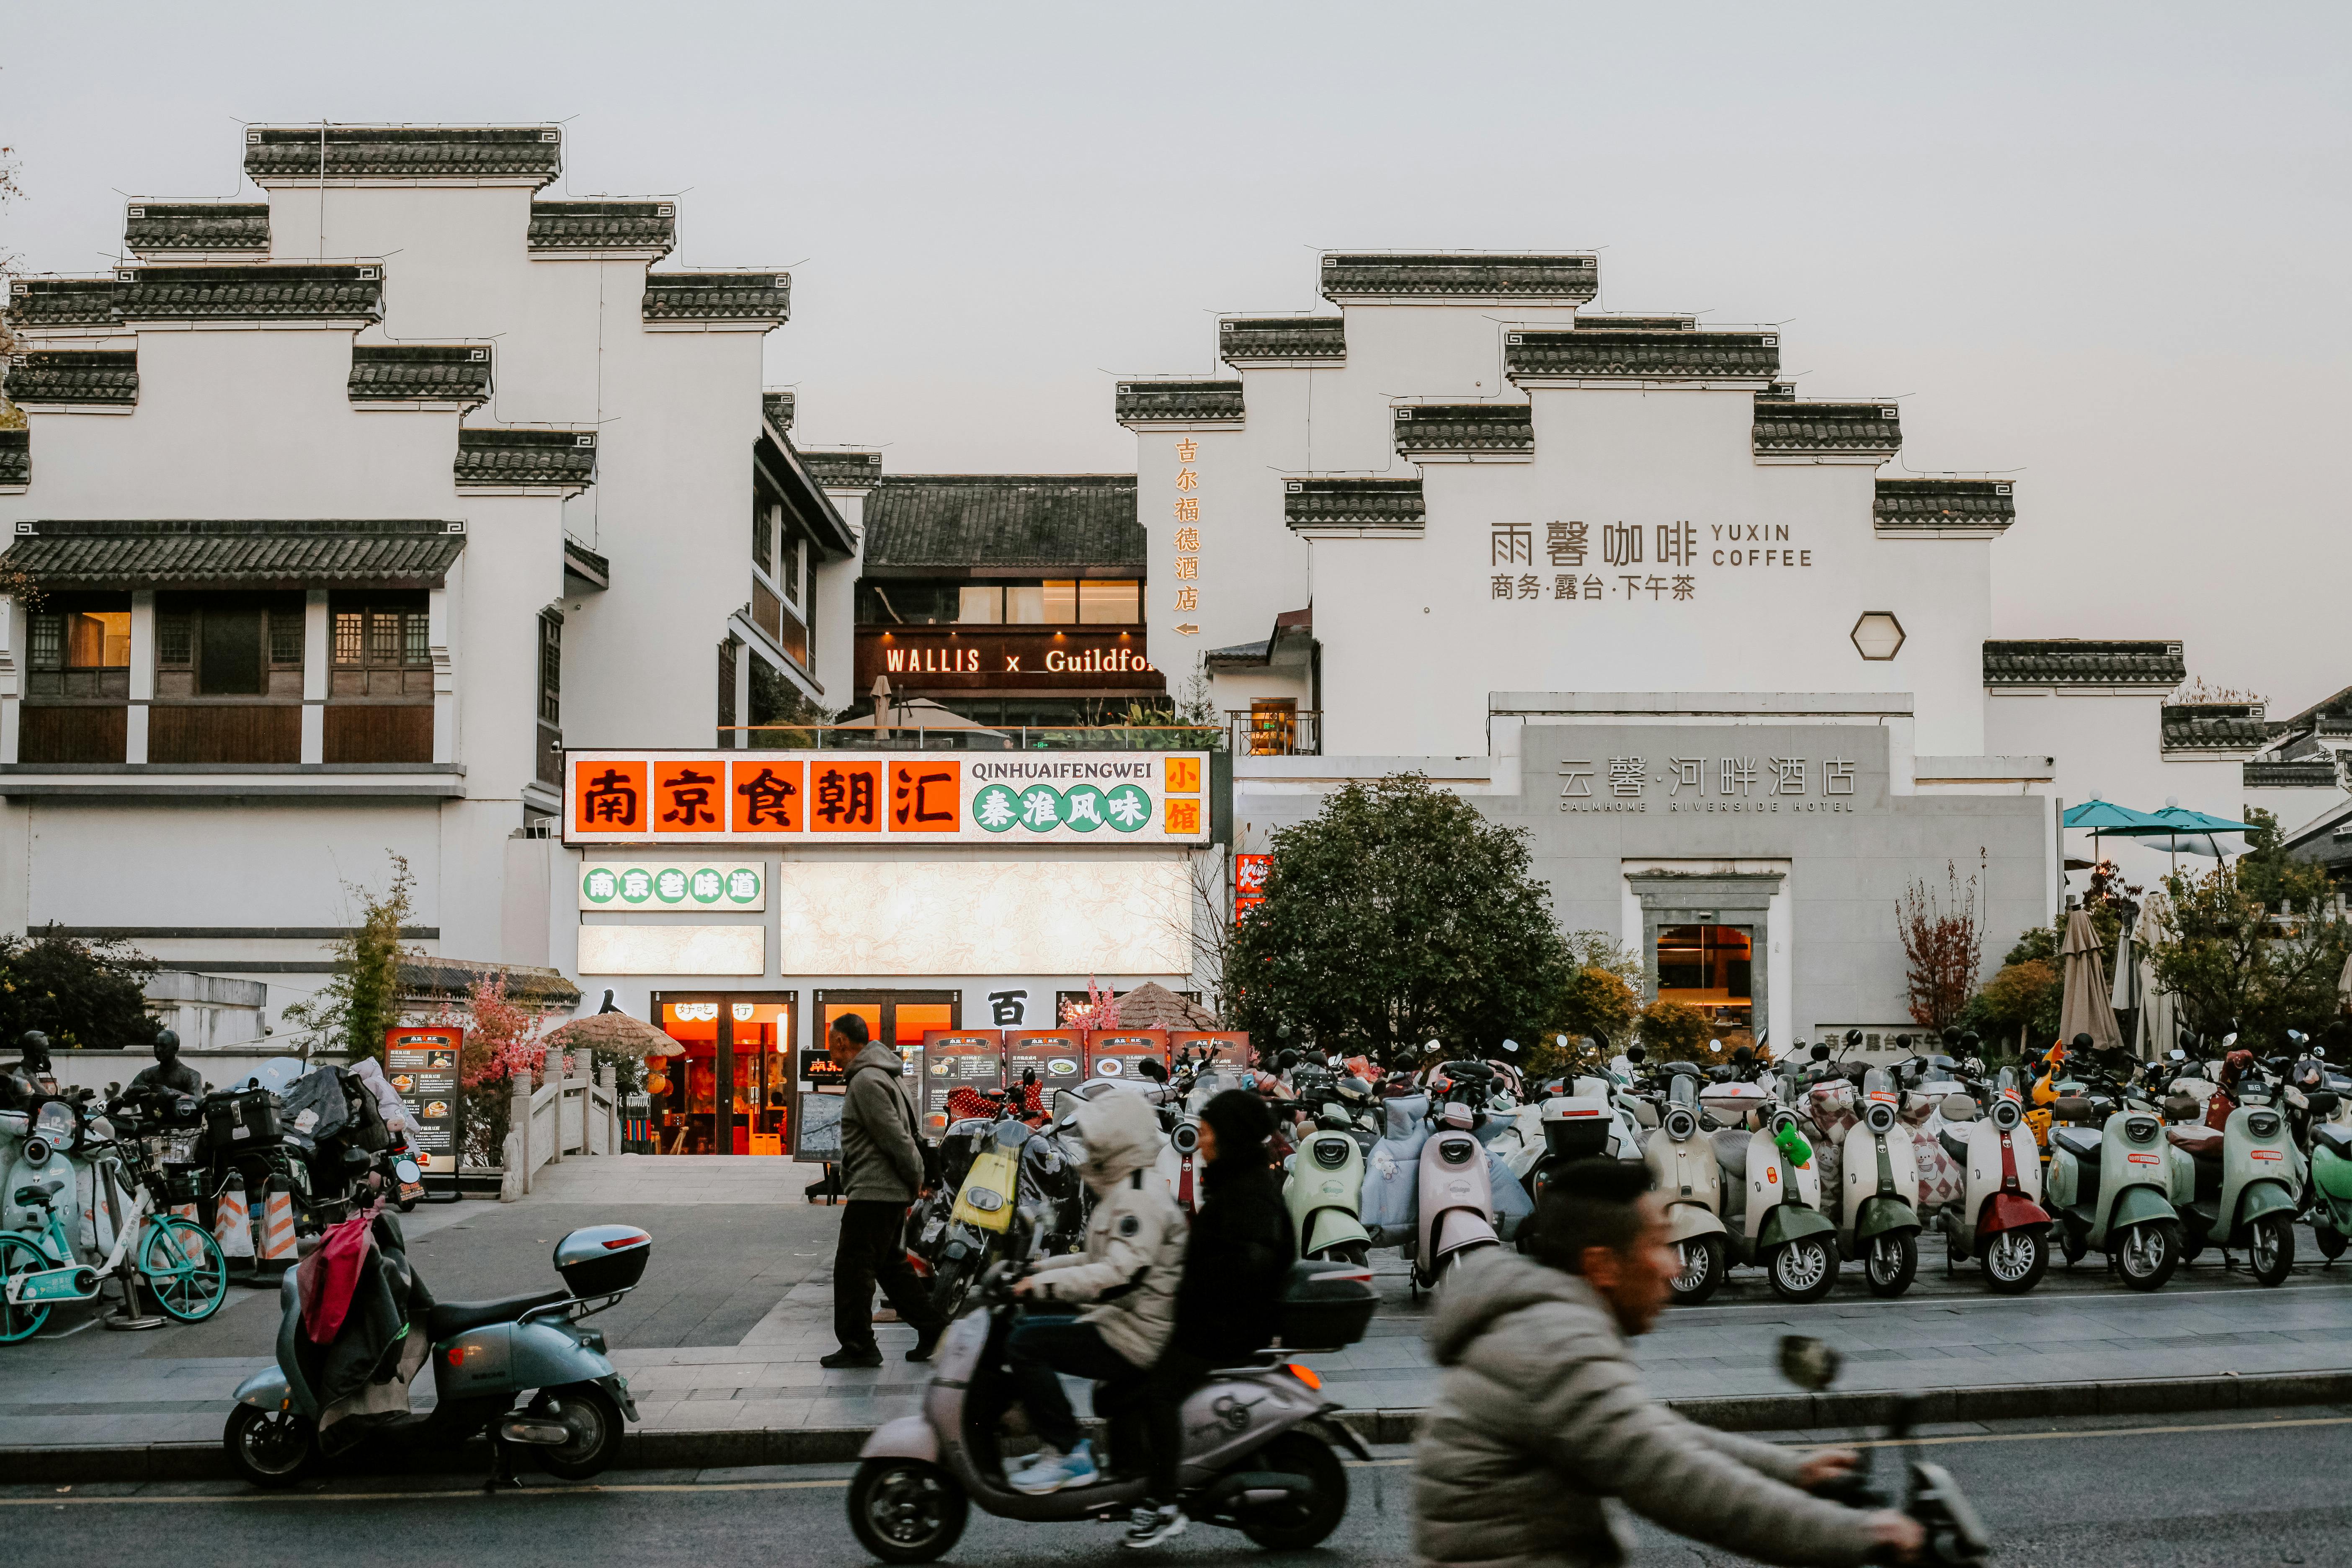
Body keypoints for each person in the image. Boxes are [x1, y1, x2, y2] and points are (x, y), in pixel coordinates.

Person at [1413, 1160, 1922, 1568]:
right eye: (1658, 1244)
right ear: (1603, 1266)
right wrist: (1861, 1537)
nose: (1675, 1264)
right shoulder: (1554, 1344)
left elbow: (1651, 1430)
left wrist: (1794, 1470)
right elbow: (1675, 1478)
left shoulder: (1549, 1323)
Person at [1124, 1087, 1295, 1549]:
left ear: (1230, 1136)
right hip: (1214, 1316)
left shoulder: (1249, 1193)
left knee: (1157, 1390)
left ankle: (1164, 1502)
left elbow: (1242, 1269)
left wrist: (1186, 1295)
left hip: (1226, 1325)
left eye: (1207, 1132)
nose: (1199, 1140)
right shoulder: (1234, 1180)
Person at [1003, 1088, 1184, 1496]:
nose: (1089, 1147)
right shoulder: (1129, 1187)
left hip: (1134, 1333)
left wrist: (1042, 1285)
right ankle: (1056, 1441)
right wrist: (1035, 1272)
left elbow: (1117, 1273)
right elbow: (1093, 1258)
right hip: (1124, 1318)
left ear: (1117, 1140)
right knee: (1027, 1323)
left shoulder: (1138, 1197)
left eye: (1097, 1139)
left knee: (1025, 1343)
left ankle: (1068, 1451)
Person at [821, 1014, 946, 1369]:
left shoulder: (866, 1081)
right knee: (891, 1266)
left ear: (843, 1042)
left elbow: (896, 1137)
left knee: (853, 1268)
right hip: (886, 1189)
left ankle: (859, 1345)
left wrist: (916, 1177)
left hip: (875, 1190)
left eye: (832, 1043)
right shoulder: (887, 1075)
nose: (830, 1051)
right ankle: (932, 1325)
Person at [127, 1029, 203, 1101]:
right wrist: (135, 1092)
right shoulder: (147, 1074)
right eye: (156, 1046)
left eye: (163, 1046)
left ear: (175, 1049)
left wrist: (171, 1092)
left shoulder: (191, 1075)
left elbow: (197, 1100)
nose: (158, 1050)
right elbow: (125, 1098)